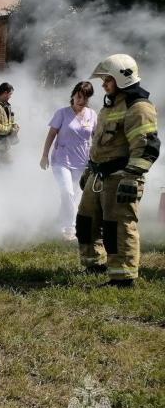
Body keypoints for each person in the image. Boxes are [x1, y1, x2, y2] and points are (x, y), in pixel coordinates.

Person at [76, 54, 159, 288]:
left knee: (118, 226)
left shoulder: (138, 107)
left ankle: (123, 276)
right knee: (86, 220)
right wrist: (88, 170)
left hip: (121, 176)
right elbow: (99, 143)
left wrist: (132, 178)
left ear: (123, 78)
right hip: (98, 175)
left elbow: (146, 146)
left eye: (107, 79)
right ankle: (94, 263)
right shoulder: (111, 104)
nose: (103, 85)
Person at [40, 82, 97, 241]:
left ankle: (60, 221)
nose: (81, 100)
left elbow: (96, 137)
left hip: (82, 162)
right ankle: (70, 228)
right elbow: (51, 135)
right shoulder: (62, 113)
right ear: (73, 95)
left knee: (75, 196)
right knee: (67, 192)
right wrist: (44, 155)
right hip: (61, 160)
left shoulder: (92, 114)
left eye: (86, 98)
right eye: (79, 96)